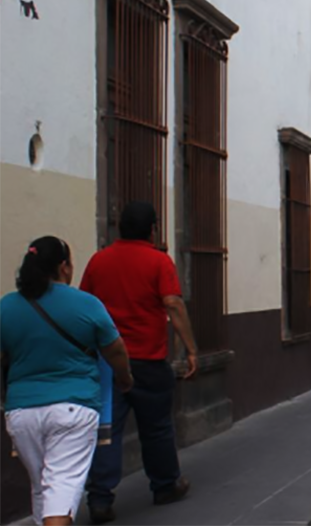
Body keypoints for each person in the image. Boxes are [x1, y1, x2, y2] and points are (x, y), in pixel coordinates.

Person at [0, 236, 133, 526]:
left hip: (22, 413)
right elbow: (115, 350)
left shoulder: (7, 307)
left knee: (43, 486)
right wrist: (125, 378)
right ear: (64, 267)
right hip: (73, 407)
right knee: (59, 488)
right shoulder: (87, 304)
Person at [83, 202, 200, 523]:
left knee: (107, 430)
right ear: (152, 229)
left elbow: (86, 304)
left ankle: (100, 498)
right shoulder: (158, 261)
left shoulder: (99, 260)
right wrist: (191, 349)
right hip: (148, 360)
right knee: (157, 428)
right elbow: (173, 304)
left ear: (120, 227)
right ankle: (165, 485)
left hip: (107, 361)